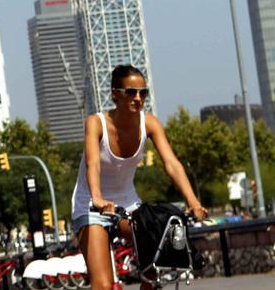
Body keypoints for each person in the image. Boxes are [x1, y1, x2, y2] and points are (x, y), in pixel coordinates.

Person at [72, 65, 208, 290]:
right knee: (103, 285)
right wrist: (97, 197)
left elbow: (172, 164)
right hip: (92, 205)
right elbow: (92, 164)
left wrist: (193, 202)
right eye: (131, 92)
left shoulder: (150, 123)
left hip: (128, 203)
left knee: (158, 262)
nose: (138, 98)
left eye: (143, 93)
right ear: (115, 94)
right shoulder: (96, 123)